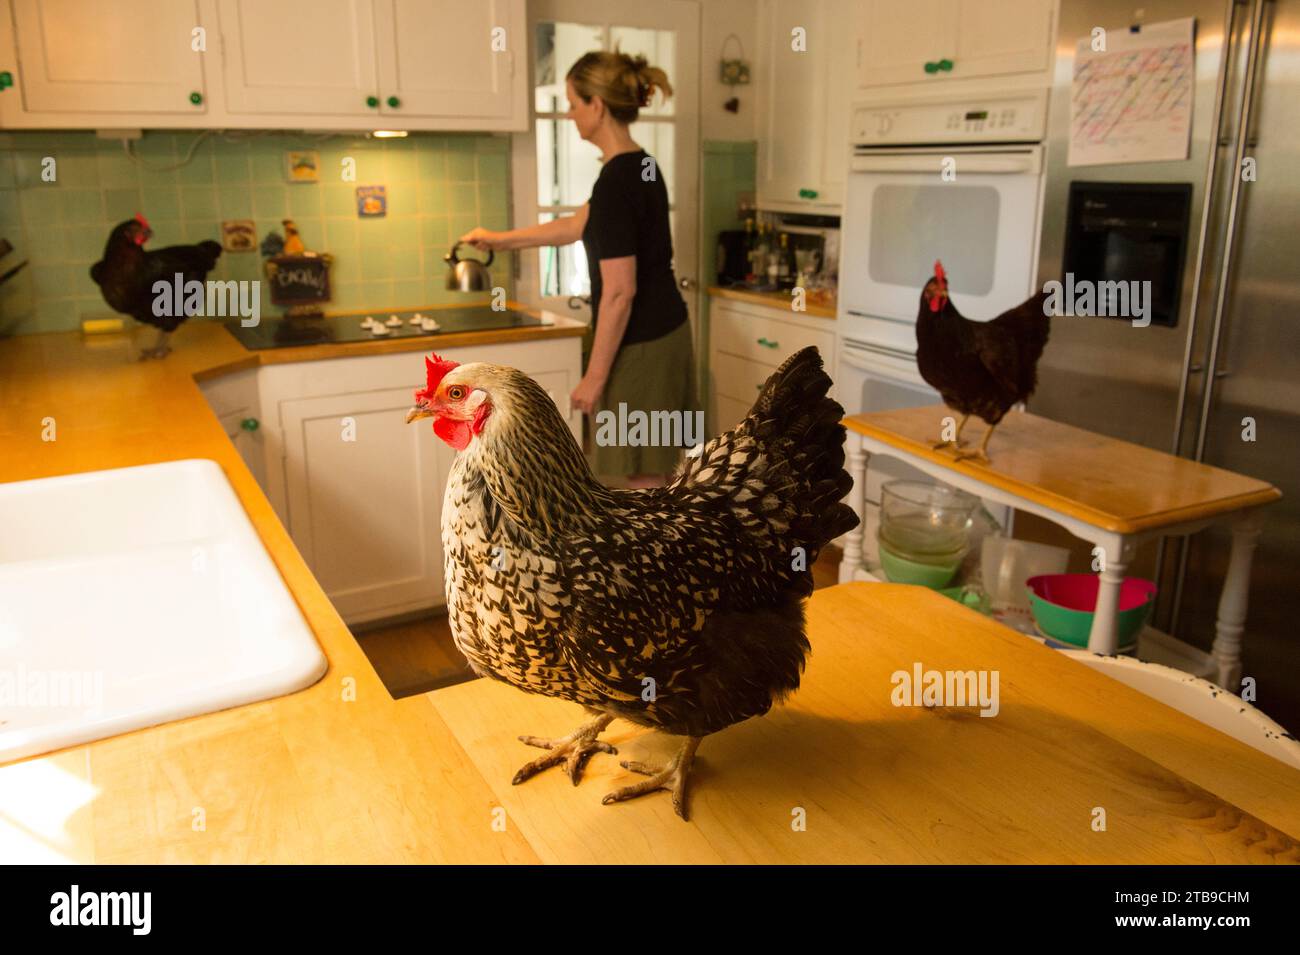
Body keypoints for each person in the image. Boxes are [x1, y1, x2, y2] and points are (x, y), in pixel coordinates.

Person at [460, 51, 695, 488]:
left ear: (597, 106)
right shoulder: (641, 166)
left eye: (572, 103)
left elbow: (621, 292)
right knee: (654, 466)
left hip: (644, 345)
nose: (569, 114)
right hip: (667, 335)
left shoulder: (617, 182)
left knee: (642, 473)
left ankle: (654, 557)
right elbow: (573, 226)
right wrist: (498, 239)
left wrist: (595, 377)